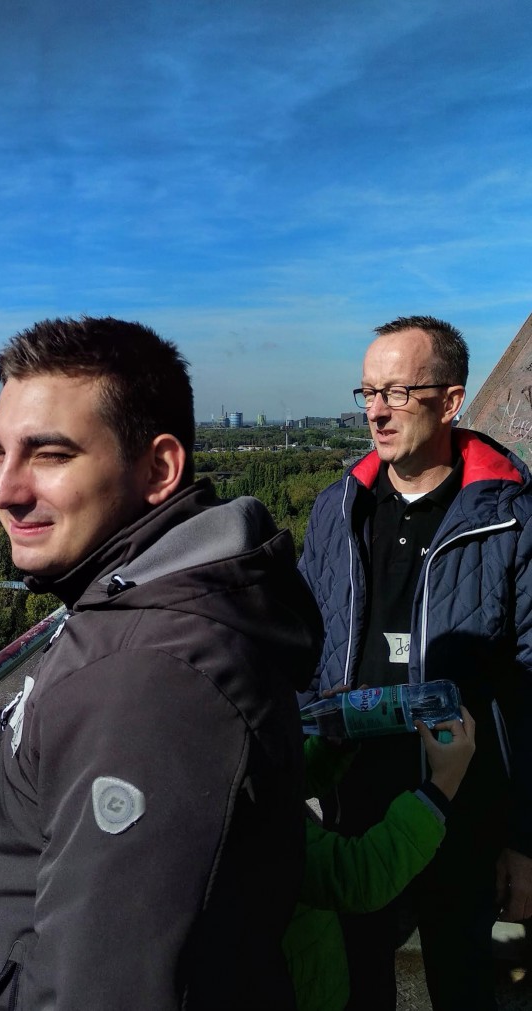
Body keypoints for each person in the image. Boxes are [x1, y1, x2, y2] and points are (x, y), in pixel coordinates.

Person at [0, 317, 315, 1009]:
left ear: (157, 469)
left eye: (49, 454)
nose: (4, 487)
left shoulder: (155, 680)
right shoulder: (130, 604)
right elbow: (49, 740)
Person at [298, 315, 532, 1009]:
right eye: (368, 391)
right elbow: (308, 654)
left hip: (467, 811)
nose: (376, 409)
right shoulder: (336, 510)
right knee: (357, 984)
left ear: (452, 401)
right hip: (358, 806)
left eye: (399, 392)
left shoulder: (513, 519)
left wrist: (524, 841)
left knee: (463, 984)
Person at [290, 708, 476, 1010]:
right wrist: (442, 785)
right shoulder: (237, 812)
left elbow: (281, 775)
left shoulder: (212, 725)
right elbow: (357, 876)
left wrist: (334, 743)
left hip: (317, 973)